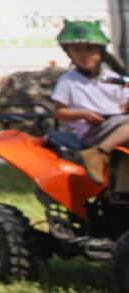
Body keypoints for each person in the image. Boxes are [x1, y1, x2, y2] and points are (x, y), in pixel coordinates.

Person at [51, 19, 129, 184]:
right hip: (92, 132)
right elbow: (58, 112)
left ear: (101, 51)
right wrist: (83, 114)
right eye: (77, 50)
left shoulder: (113, 78)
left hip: (116, 125)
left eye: (89, 49)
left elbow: (123, 106)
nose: (83, 55)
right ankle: (98, 154)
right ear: (69, 53)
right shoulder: (68, 81)